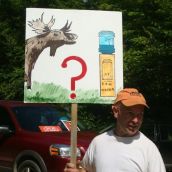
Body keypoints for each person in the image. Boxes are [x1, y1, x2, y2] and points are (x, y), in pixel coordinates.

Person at [64, 88, 166, 172]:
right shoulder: (98, 142)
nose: (136, 120)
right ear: (116, 111)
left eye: (140, 115)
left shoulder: (149, 149)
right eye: (130, 113)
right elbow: (86, 169)